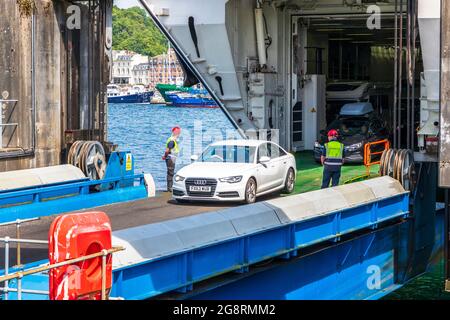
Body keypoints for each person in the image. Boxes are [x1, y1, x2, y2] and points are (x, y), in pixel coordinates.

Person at [162, 126, 181, 192]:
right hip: (170, 158)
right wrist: (165, 156)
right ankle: (169, 188)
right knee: (170, 173)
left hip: (172, 158)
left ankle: (170, 187)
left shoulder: (174, 140)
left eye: (179, 132)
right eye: (178, 132)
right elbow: (167, 150)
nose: (179, 134)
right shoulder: (172, 141)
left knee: (170, 172)